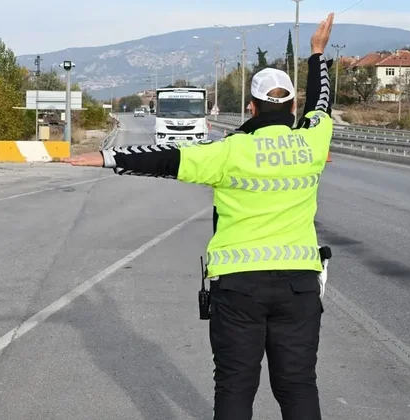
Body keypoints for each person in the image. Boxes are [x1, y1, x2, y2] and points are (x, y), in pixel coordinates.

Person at [64, 13, 335, 420]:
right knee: (298, 385)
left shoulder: (228, 151)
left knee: (234, 386)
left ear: (251, 106)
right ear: (292, 106)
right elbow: (322, 104)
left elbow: (166, 159)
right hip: (298, 286)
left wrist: (107, 156)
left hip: (239, 288)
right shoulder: (313, 141)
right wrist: (317, 54)